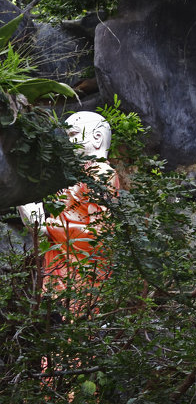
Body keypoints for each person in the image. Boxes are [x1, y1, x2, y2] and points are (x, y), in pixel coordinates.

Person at [19, 111, 121, 298]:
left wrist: (45, 227)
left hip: (83, 271)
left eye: (72, 135)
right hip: (60, 264)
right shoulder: (74, 176)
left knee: (77, 314)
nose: (67, 143)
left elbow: (98, 232)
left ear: (97, 137)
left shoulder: (101, 172)